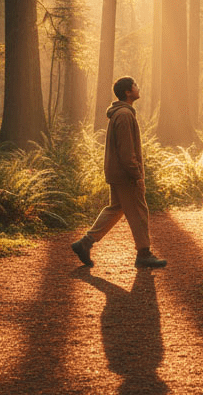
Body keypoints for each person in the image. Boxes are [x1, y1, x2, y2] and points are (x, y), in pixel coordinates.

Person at [71, 77, 167, 268]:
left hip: (117, 172)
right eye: (135, 85)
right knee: (139, 211)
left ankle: (85, 243)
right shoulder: (124, 115)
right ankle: (144, 253)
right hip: (125, 174)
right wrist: (137, 174)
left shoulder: (122, 113)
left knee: (115, 208)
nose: (138, 88)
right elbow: (126, 151)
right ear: (128, 92)